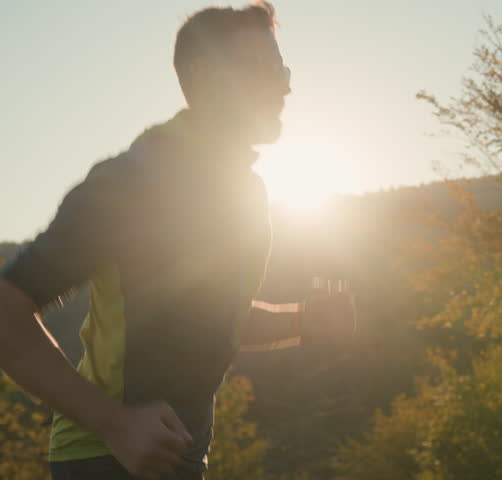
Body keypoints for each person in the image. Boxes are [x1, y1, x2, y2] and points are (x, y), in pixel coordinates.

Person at [0, 2, 351, 479]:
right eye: (266, 68)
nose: (285, 84)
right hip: (103, 460)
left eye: (283, 68)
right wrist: (115, 425)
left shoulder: (246, 190)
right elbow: (7, 308)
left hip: (179, 460)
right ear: (207, 76)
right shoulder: (132, 181)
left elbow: (214, 314)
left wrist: (302, 320)